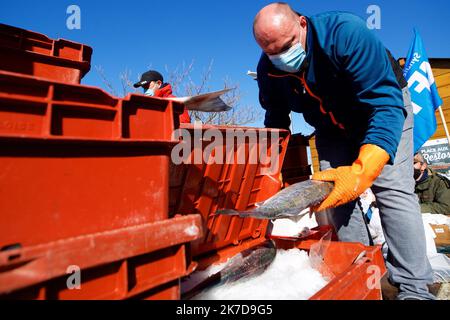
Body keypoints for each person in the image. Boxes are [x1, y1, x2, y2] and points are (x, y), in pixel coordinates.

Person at [253, 2, 435, 299]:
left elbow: (385, 103)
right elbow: (276, 119)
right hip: (330, 127)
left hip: (382, 109)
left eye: (287, 46)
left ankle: (414, 288)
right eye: (272, 53)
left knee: (392, 190)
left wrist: (363, 170)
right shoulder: (269, 70)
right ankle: (360, 271)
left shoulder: (345, 33)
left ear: (302, 23)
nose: (282, 57)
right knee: (334, 195)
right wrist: (270, 167)